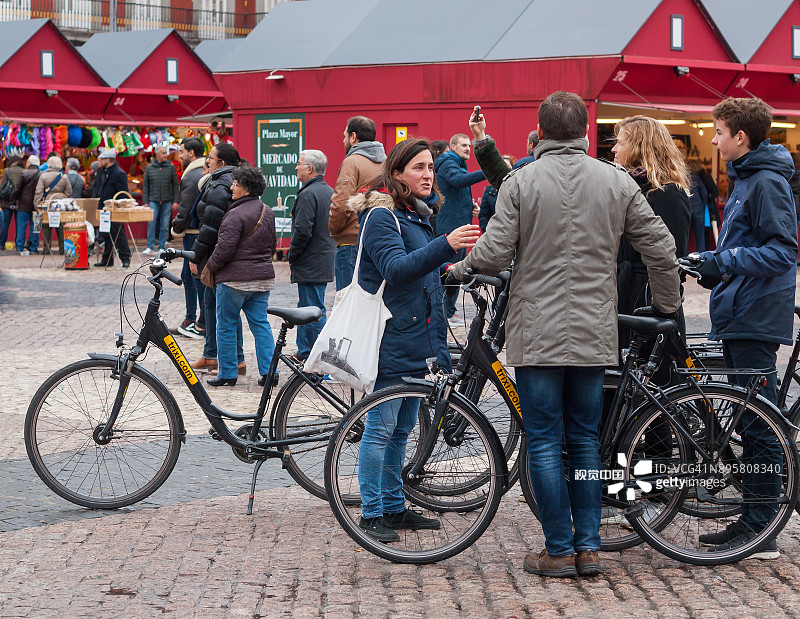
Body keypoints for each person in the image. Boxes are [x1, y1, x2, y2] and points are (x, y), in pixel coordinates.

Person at [455, 93, 681, 578]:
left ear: (541, 131)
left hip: (537, 331)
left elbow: (493, 253)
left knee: (542, 440)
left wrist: (460, 269)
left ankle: (558, 549)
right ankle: (589, 548)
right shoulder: (616, 181)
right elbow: (662, 249)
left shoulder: (521, 182)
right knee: (583, 439)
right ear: (585, 132)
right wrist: (667, 306)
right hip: (594, 330)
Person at [352, 138, 481, 542]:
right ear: (396, 174)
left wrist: (460, 269)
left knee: (403, 429)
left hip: (418, 336)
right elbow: (395, 269)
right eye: (419, 168)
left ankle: (393, 507)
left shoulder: (417, 214)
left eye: (430, 167)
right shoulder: (381, 216)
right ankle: (371, 514)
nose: (428, 175)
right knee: (380, 428)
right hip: (392, 336)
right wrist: (446, 244)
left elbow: (424, 272)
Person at [693, 97, 798, 559]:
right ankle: (753, 521)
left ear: (741, 136)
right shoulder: (746, 178)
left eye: (719, 133)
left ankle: (762, 529)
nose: (714, 141)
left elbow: (783, 251)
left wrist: (726, 261)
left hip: (756, 314)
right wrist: (710, 263)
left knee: (760, 425)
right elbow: (742, 246)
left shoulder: (766, 182)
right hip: (741, 311)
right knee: (751, 420)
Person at [611, 116, 691, 356]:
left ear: (640, 146)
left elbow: (671, 256)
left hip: (647, 301)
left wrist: (660, 305)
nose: (613, 149)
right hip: (623, 294)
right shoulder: (625, 188)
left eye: (620, 142)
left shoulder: (668, 193)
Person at [204, 166, 276, 387]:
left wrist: (211, 266)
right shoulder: (267, 211)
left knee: (226, 325)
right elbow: (272, 246)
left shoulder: (234, 214)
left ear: (245, 188)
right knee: (261, 324)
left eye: (235, 184)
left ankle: (228, 373)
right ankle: (269, 372)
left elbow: (224, 250)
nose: (231, 188)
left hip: (234, 280)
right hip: (262, 279)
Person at [188, 143, 245, 374]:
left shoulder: (220, 183)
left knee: (221, 307)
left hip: (216, 254)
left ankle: (232, 358)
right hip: (219, 252)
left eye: (210, 157)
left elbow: (211, 225)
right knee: (213, 305)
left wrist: (195, 254)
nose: (207, 161)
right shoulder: (224, 180)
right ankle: (212, 354)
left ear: (221, 163)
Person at [288, 149, 335, 363]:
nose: (296, 167)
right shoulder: (328, 191)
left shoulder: (308, 194)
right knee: (309, 307)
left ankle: (318, 356)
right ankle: (305, 351)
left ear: (309, 169)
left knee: (313, 309)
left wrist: (292, 254)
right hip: (321, 257)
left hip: (311, 259)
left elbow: (302, 231)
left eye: (299, 163)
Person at [329, 116, 386, 291]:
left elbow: (341, 203)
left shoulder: (352, 161)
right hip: (378, 239)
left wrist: (335, 231)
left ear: (353, 137)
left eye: (345, 136)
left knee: (347, 300)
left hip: (351, 242)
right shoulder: (386, 163)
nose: (343, 140)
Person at [434, 132, 485, 323]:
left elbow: (456, 190)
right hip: (451, 228)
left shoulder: (457, 163)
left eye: (469, 146)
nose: (468, 148)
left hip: (458, 225)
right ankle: (444, 313)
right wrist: (487, 170)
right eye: (463, 145)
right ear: (452, 147)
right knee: (450, 270)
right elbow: (458, 180)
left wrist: (470, 206)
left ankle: (448, 312)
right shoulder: (448, 161)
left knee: (456, 269)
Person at [170, 137, 206, 339]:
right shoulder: (197, 172)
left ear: (191, 153)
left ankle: (199, 322)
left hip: (193, 233)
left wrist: (176, 226)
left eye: (182, 151)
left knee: (194, 276)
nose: (180, 155)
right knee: (189, 275)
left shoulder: (191, 175)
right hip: (196, 231)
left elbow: (185, 208)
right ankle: (192, 319)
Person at [94, 149, 131, 268]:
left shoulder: (119, 173)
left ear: (107, 160)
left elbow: (123, 193)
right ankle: (107, 259)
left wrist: (118, 206)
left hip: (115, 209)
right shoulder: (104, 172)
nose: (100, 161)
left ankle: (125, 258)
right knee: (106, 234)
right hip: (105, 208)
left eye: (101, 159)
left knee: (118, 233)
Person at [142, 145, 179, 255]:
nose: (165, 155)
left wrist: (176, 200)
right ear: (157, 154)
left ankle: (161, 246)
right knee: (151, 223)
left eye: (166, 153)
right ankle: (150, 246)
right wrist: (145, 202)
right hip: (153, 200)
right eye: (163, 153)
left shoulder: (171, 167)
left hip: (167, 200)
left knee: (165, 224)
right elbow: (145, 186)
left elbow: (175, 185)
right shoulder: (149, 168)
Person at [34, 155, 72, 255]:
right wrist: (62, 199)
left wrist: (37, 205)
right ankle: (62, 249)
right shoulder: (64, 177)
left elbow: (38, 192)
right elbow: (69, 192)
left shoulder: (43, 176)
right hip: (60, 205)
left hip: (47, 204)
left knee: (46, 227)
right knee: (61, 226)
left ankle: (46, 249)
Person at [10, 155, 41, 255]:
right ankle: (34, 247)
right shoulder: (42, 174)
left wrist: (13, 200)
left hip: (23, 204)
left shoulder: (24, 173)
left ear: (30, 163)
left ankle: (20, 247)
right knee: (36, 227)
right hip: (38, 205)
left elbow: (17, 189)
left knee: (22, 226)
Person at [479, 155, 512, 232]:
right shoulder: (489, 190)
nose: (504, 169)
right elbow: (483, 215)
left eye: (507, 166)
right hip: (493, 233)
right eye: (501, 166)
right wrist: (487, 232)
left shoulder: (516, 188)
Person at [0, 156, 24, 249]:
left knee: (5, 224)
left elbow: (2, 186)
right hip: (19, 201)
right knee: (19, 224)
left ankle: (1, 244)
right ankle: (18, 245)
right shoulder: (23, 171)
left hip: (7, 201)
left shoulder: (7, 171)